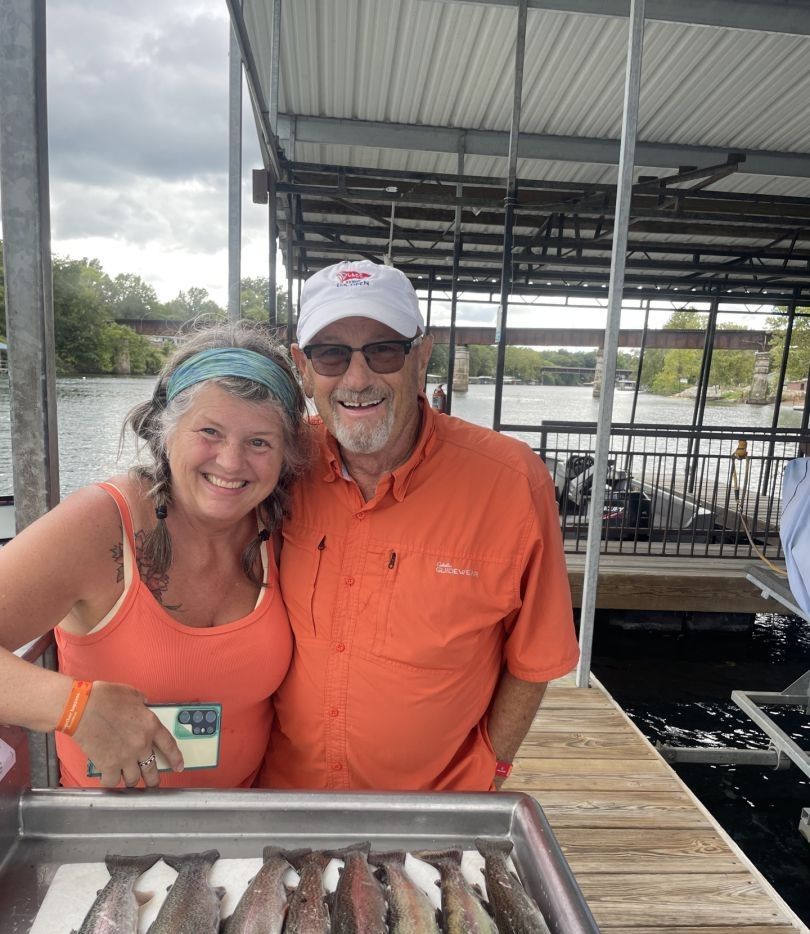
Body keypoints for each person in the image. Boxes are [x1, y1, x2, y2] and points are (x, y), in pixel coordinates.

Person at [261, 260, 579, 792]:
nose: (357, 379)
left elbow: (536, 655)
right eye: (332, 354)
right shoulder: (277, 461)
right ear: (302, 365)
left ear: (422, 355)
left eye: (383, 349)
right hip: (285, 797)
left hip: (435, 812)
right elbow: (185, 489)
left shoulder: (512, 480)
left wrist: (493, 767)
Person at [0, 322, 309, 789]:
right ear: (165, 430)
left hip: (247, 833)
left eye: (259, 442)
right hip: (110, 835)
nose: (230, 461)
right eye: (209, 431)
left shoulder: (283, 528)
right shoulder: (101, 523)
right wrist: (71, 706)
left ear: (286, 453)